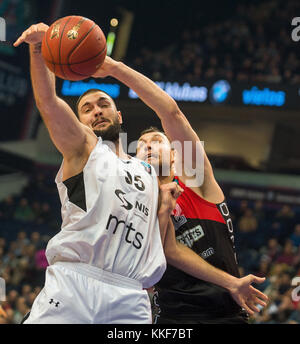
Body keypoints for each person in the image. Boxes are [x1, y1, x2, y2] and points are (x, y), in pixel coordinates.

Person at [14, 23, 181, 324]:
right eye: (87, 109)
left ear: (119, 115)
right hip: (74, 283)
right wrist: (39, 49)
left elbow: (171, 112)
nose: (96, 111)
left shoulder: (149, 172)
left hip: (131, 296)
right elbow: (49, 104)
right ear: (80, 122)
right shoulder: (84, 148)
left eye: (103, 104)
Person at [91, 56, 269, 323]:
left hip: (225, 313)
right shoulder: (137, 204)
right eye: (141, 144)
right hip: (171, 316)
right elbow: (168, 251)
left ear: (175, 154)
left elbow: (170, 113)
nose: (148, 146)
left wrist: (114, 69)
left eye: (157, 141)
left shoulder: (197, 180)